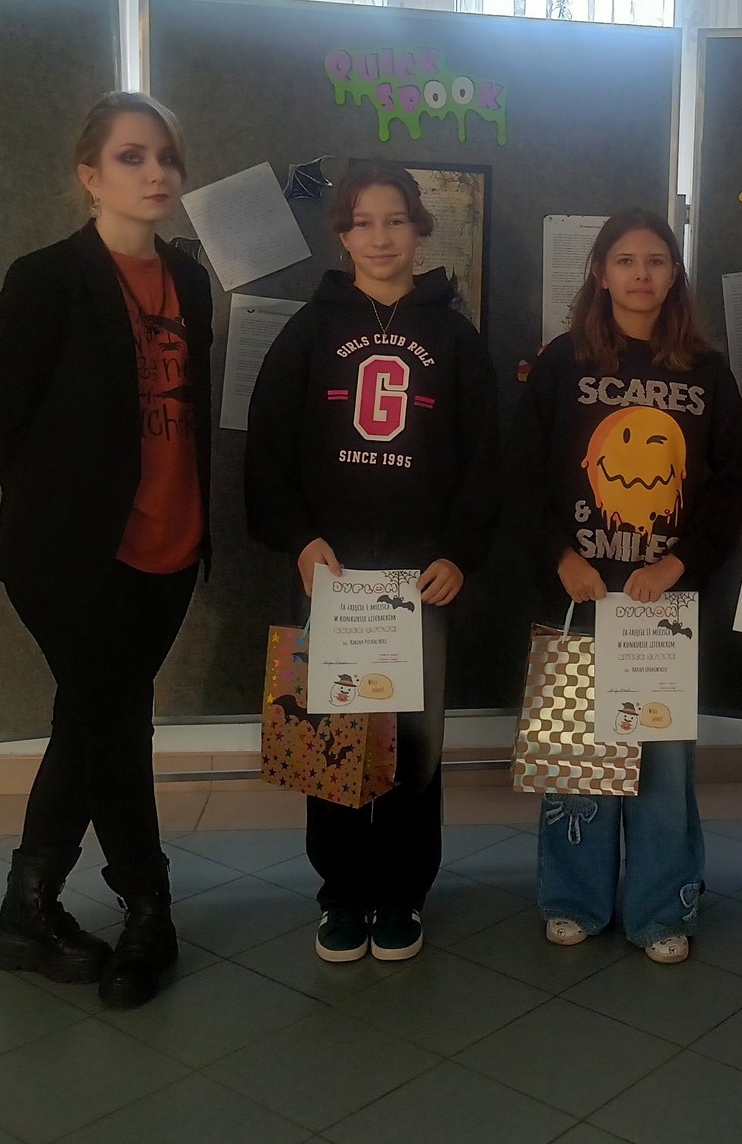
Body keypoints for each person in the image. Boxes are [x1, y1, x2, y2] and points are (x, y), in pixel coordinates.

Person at [0, 91, 212, 1010]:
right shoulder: (48, 278)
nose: (155, 173)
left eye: (166, 157)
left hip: (172, 546)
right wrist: (69, 510)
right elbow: (3, 419)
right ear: (89, 175)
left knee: (93, 718)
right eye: (131, 157)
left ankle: (25, 910)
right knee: (116, 723)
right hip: (73, 557)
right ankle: (149, 908)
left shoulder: (188, 279)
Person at [244, 163, 500, 964]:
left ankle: (402, 890)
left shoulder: (455, 337)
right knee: (332, 732)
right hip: (333, 572)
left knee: (412, 740)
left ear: (420, 229)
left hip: (419, 576)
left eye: (395, 220)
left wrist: (459, 551)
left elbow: (484, 458)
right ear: (342, 235)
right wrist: (299, 538)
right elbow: (267, 446)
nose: (380, 237)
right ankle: (343, 890)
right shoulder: (308, 330)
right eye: (362, 222)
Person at [511, 208, 742, 964]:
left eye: (655, 260)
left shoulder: (706, 371)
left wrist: (677, 564)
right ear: (599, 272)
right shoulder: (562, 363)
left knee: (662, 761)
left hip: (665, 604)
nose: (641, 274)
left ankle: (660, 906)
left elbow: (733, 486)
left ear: (674, 274)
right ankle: (573, 898)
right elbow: (520, 475)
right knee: (579, 756)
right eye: (625, 260)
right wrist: (561, 557)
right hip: (580, 593)